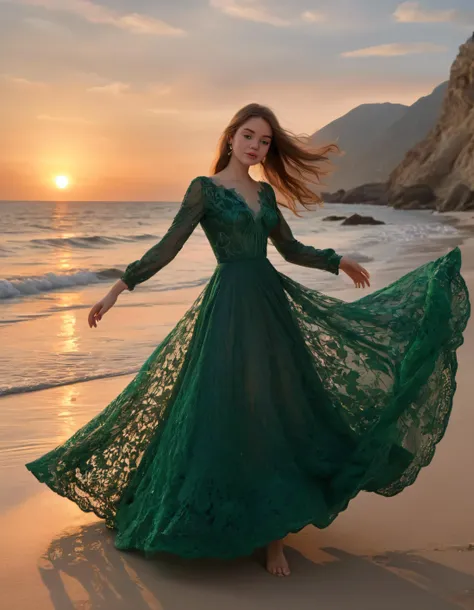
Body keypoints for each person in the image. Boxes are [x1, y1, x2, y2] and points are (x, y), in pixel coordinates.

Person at [26, 103, 470, 578]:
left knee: (275, 412)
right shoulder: (205, 190)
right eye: (249, 136)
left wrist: (335, 260)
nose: (256, 146)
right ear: (231, 136)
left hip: (269, 306)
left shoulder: (265, 194)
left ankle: (272, 538)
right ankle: (220, 515)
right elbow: (168, 246)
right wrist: (120, 286)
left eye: (264, 141)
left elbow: (290, 249)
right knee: (223, 413)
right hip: (228, 311)